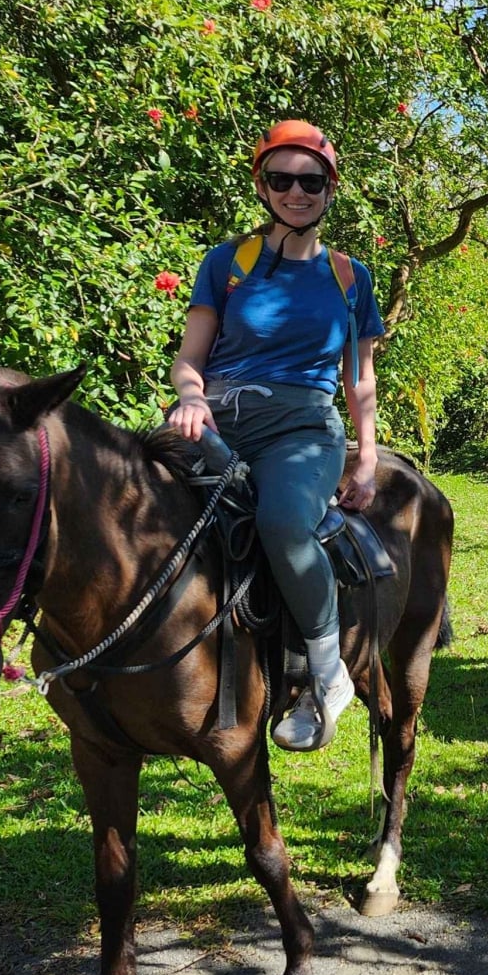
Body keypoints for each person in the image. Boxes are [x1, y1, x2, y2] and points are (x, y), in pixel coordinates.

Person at [166, 119, 385, 752]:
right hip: (212, 422)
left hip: (301, 428)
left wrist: (365, 460)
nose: (296, 192)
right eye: (281, 179)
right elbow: (190, 359)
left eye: (310, 180)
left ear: (329, 188)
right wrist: (189, 398)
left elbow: (360, 379)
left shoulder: (350, 277)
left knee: (285, 523)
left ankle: (325, 668)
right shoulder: (227, 262)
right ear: (262, 186)